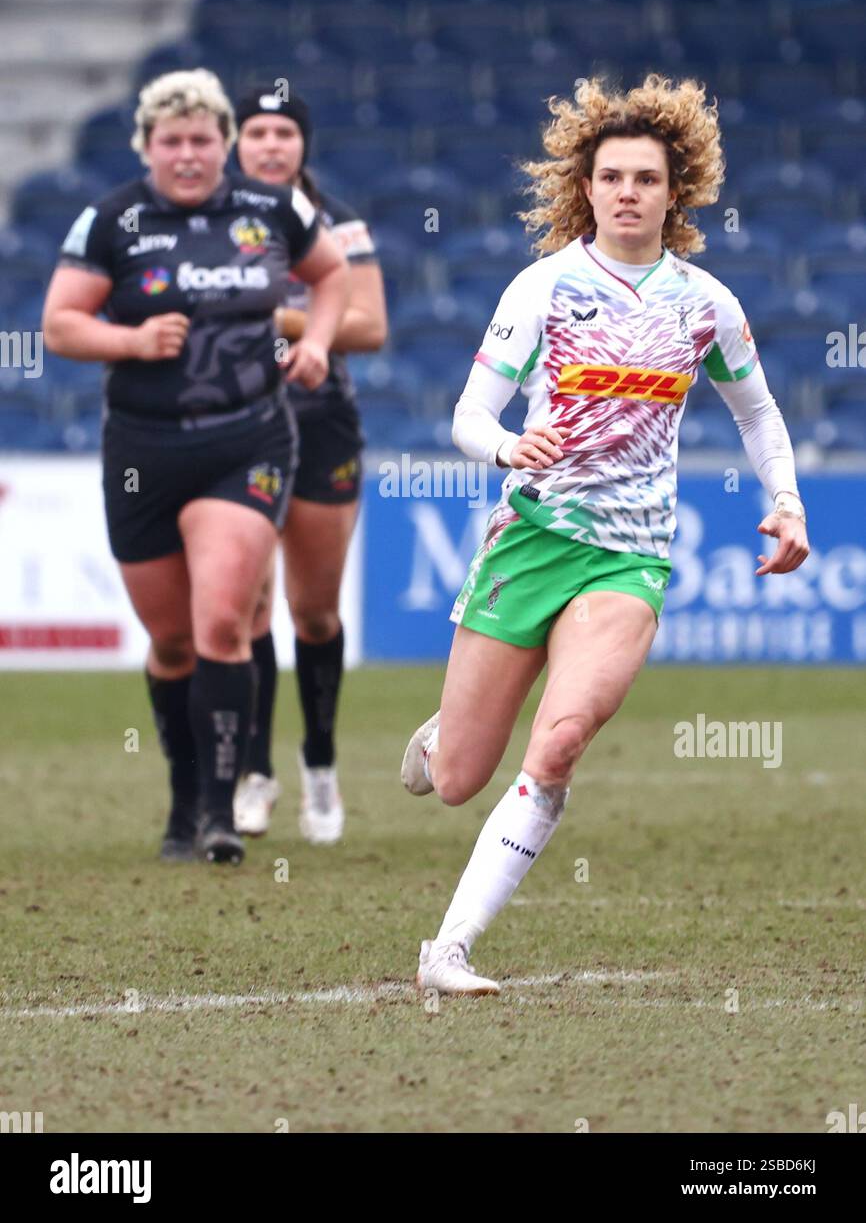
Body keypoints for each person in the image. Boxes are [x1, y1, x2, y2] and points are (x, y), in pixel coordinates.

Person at [400, 74, 810, 994]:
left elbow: (758, 413)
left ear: (678, 191)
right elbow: (470, 413)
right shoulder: (544, 286)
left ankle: (449, 949)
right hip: (531, 540)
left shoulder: (706, 303)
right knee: (463, 776)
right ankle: (441, 738)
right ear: (583, 188)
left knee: (560, 741)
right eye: (613, 176)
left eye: (647, 179)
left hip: (630, 555)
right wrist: (509, 446)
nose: (628, 192)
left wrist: (787, 502)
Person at [41, 69, 349, 864]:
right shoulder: (111, 219)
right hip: (143, 450)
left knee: (223, 620)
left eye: (202, 140)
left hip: (246, 441)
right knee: (172, 641)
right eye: (170, 142)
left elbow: (333, 274)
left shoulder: (272, 208)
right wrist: (131, 342)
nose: (187, 155)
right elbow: (62, 325)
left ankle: (220, 813)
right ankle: (183, 798)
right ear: (148, 147)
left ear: (225, 145)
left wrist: (315, 343)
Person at [230, 85, 386, 844]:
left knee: (314, 610)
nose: (269, 144)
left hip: (321, 425)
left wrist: (283, 316)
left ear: (303, 145)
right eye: (255, 130)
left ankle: (319, 763)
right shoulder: (212, 220)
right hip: (235, 425)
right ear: (236, 140)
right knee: (247, 605)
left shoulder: (339, 223)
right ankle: (254, 773)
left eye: (283, 131)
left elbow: (371, 324)